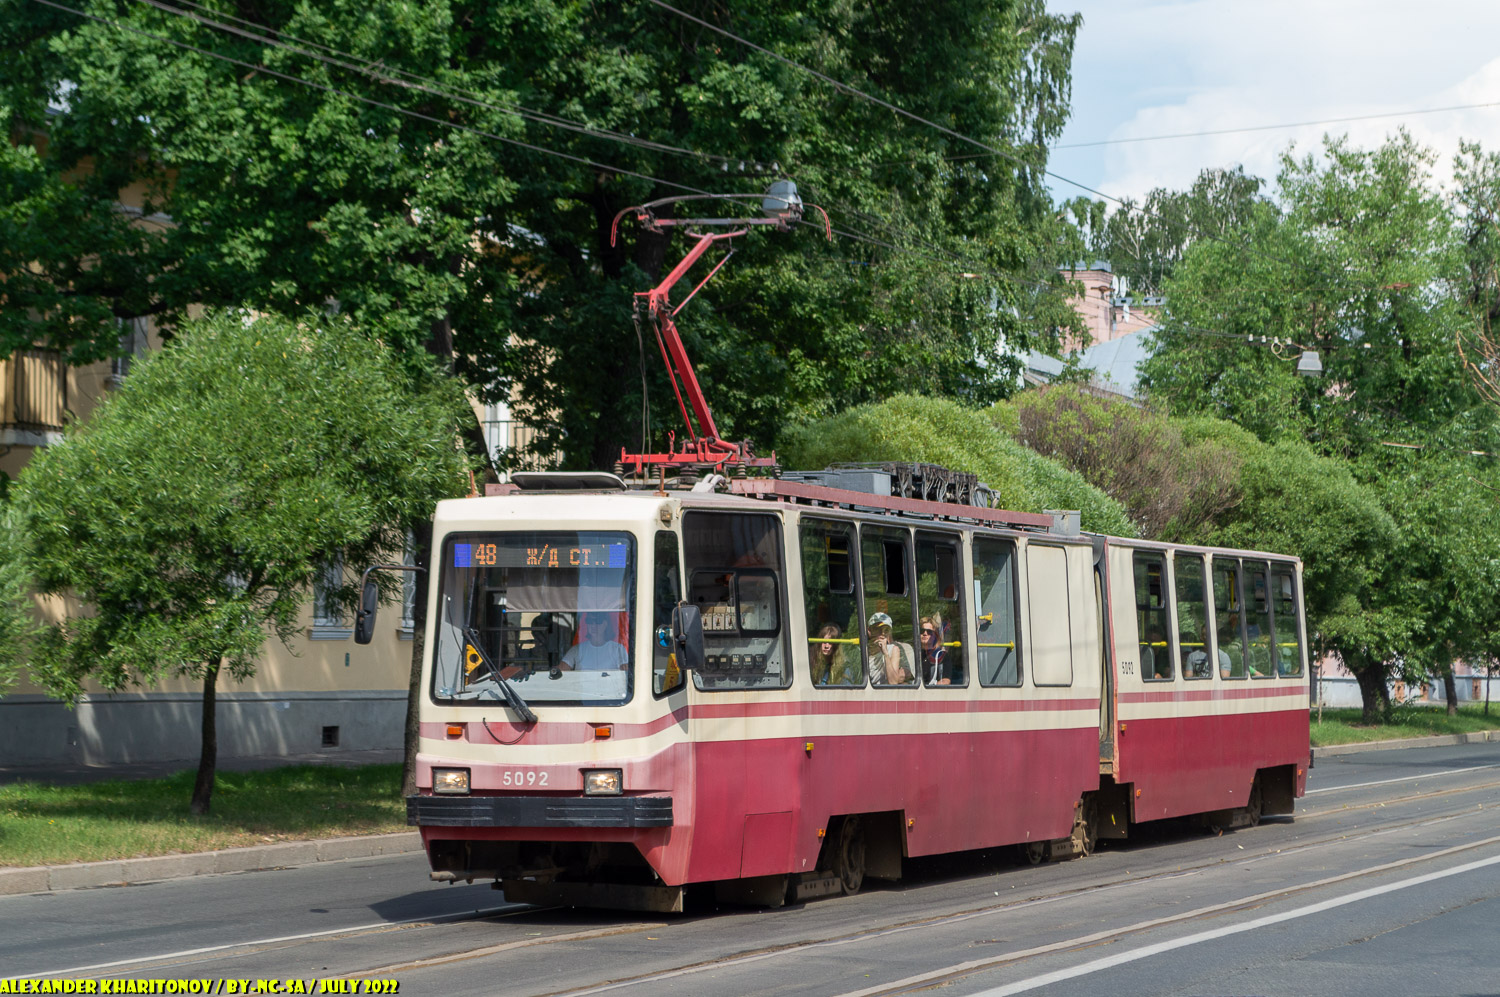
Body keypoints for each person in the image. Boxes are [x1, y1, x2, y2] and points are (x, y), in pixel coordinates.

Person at [561, 611, 629, 670]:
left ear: (605, 624)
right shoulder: (578, 649)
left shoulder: (618, 649)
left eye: (598, 621)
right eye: (589, 621)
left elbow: (626, 672)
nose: (593, 625)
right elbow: (561, 669)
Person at [867, 612, 915, 685]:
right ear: (869, 631)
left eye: (886, 630)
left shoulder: (893, 649)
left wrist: (886, 654)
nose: (882, 633)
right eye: (878, 629)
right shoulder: (862, 651)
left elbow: (893, 682)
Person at [811, 622, 860, 686]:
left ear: (835, 645)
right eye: (824, 642)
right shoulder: (816, 663)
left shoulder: (844, 667)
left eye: (830, 642)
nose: (826, 646)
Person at [921, 613, 957, 685]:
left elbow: (946, 681)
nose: (925, 633)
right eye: (922, 631)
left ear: (935, 635)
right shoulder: (916, 654)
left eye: (929, 632)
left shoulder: (943, 656)